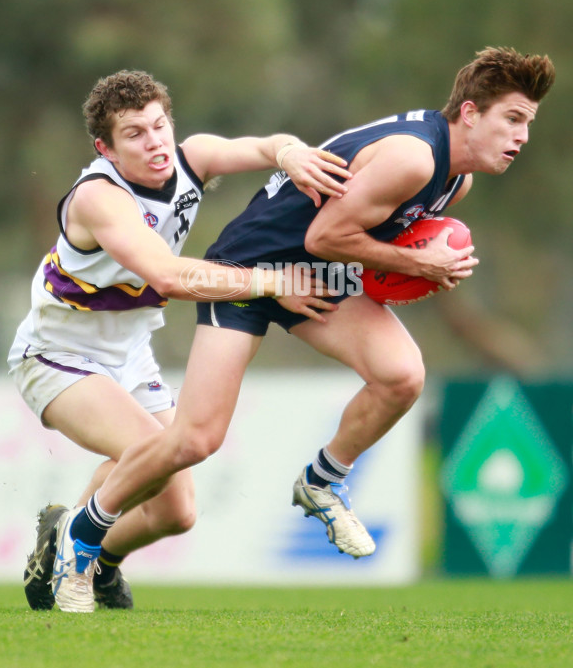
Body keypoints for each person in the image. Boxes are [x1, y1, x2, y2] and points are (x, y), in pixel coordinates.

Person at [39, 46, 555, 612]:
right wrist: (416, 264)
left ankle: (323, 480)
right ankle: (81, 540)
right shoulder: (414, 159)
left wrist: (291, 152)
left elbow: (314, 216)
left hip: (311, 276)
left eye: (528, 123)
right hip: (247, 271)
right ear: (470, 113)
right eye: (513, 119)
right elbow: (323, 237)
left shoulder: (455, 183)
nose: (522, 136)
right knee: (195, 441)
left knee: (402, 376)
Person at [8, 69, 352, 613]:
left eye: (159, 124)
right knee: (148, 452)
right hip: (57, 356)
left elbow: (264, 144)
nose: (155, 142)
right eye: (135, 134)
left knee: (176, 514)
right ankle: (70, 552)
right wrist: (270, 282)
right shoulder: (99, 197)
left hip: (129, 355)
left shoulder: (191, 157)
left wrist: (290, 153)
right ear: (107, 148)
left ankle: (94, 559)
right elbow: (168, 276)